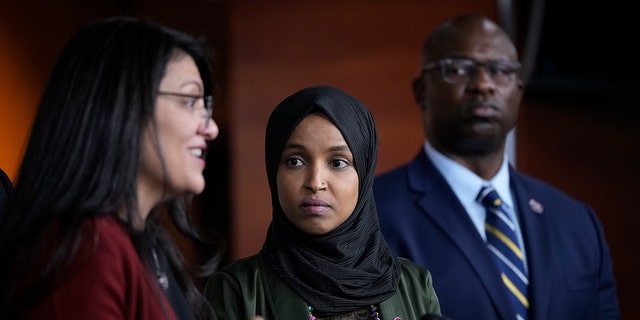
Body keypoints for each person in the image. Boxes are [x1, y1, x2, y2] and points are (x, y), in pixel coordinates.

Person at [373, 14, 620, 320]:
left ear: (519, 90)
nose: (483, 84)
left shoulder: (578, 222)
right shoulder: (371, 215)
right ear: (421, 91)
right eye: (459, 69)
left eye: (499, 70)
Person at [0, 16, 222, 320]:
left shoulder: (142, 241)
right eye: (188, 101)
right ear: (122, 105)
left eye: (204, 105)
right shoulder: (86, 248)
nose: (211, 128)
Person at [204, 85, 443, 320]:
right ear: (272, 170)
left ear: (365, 172)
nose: (315, 182)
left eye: (338, 162)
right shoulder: (237, 291)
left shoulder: (415, 285)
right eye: (295, 161)